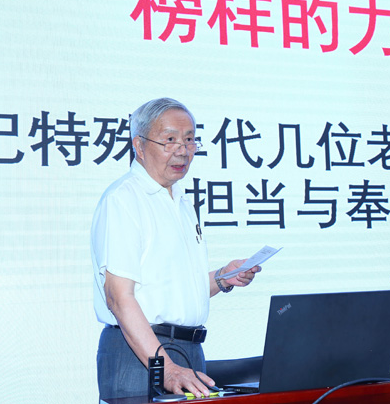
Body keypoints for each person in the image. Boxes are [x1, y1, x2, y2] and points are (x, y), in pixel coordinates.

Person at [90, 97, 261, 400]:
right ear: (139, 146)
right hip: (140, 357)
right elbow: (118, 296)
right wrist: (166, 368)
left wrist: (223, 278)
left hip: (187, 353)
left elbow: (169, 289)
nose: (182, 150)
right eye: (170, 140)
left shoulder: (180, 202)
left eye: (189, 140)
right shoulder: (124, 199)